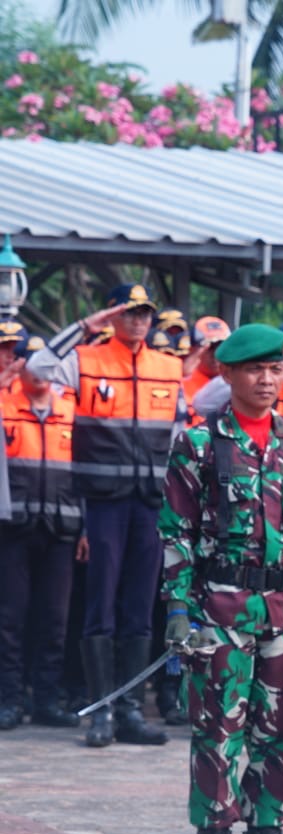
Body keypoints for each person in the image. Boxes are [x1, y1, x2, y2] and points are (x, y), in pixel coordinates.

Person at [158, 322, 283, 834]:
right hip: (221, 612)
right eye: (255, 369)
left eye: (275, 369)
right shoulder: (201, 445)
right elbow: (176, 534)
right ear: (228, 374)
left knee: (279, 737)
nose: (267, 379)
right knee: (218, 736)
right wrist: (180, 609)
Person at [27, 283, 182, 749]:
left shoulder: (169, 367)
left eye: (144, 313)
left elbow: (178, 434)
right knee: (101, 607)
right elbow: (38, 367)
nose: (137, 321)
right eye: (128, 313)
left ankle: (131, 710)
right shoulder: (88, 358)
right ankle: (101, 711)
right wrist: (85, 327)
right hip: (103, 502)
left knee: (138, 608)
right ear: (114, 316)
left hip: (151, 504)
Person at [0, 334, 83, 729]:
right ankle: (9, 701)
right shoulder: (4, 405)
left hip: (62, 529)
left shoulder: (70, 410)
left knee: (55, 618)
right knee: (10, 619)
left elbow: (84, 473)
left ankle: (48, 700)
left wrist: (84, 527)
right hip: (13, 529)